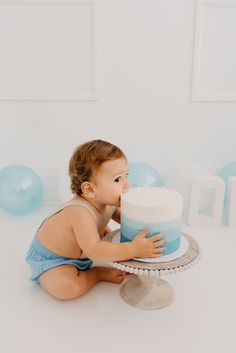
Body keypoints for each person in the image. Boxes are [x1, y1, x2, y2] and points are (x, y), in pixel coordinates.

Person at [26, 140, 167, 300]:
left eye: (125, 176)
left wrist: (148, 216)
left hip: (84, 247)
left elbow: (127, 220)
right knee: (66, 288)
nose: (127, 185)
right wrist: (133, 249)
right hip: (55, 260)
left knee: (116, 235)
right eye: (117, 180)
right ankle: (97, 274)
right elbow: (94, 250)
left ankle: (113, 254)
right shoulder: (79, 212)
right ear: (90, 189)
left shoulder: (108, 203)